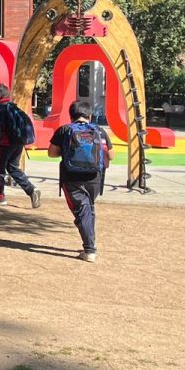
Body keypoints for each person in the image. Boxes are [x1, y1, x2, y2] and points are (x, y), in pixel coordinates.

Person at [48, 101, 113, 263]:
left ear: (71, 115)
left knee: (81, 211)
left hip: (71, 178)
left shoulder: (64, 130)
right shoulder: (99, 131)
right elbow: (110, 155)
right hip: (95, 178)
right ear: (89, 115)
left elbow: (52, 153)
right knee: (88, 208)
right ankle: (89, 242)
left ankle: (89, 249)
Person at [0, 83, 42, 208]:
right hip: (18, 143)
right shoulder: (14, 107)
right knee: (13, 168)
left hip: (4, 144)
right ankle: (31, 190)